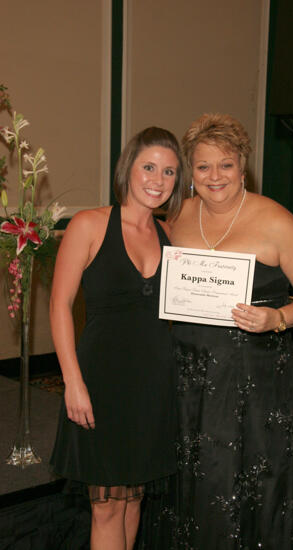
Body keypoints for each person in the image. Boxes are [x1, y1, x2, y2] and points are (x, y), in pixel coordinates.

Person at [169, 113, 293, 549]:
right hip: (191, 375)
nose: (214, 176)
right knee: (198, 474)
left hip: (255, 378)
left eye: (225, 165)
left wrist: (278, 318)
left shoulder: (275, 219)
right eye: (203, 167)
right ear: (191, 172)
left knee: (251, 478)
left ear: (243, 167)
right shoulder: (179, 216)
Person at [50, 127, 185, 550]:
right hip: (101, 378)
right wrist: (73, 382)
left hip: (153, 381)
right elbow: (59, 305)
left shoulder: (170, 236)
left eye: (168, 172)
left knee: (134, 499)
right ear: (128, 167)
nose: (157, 180)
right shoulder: (89, 224)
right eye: (149, 167)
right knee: (107, 504)